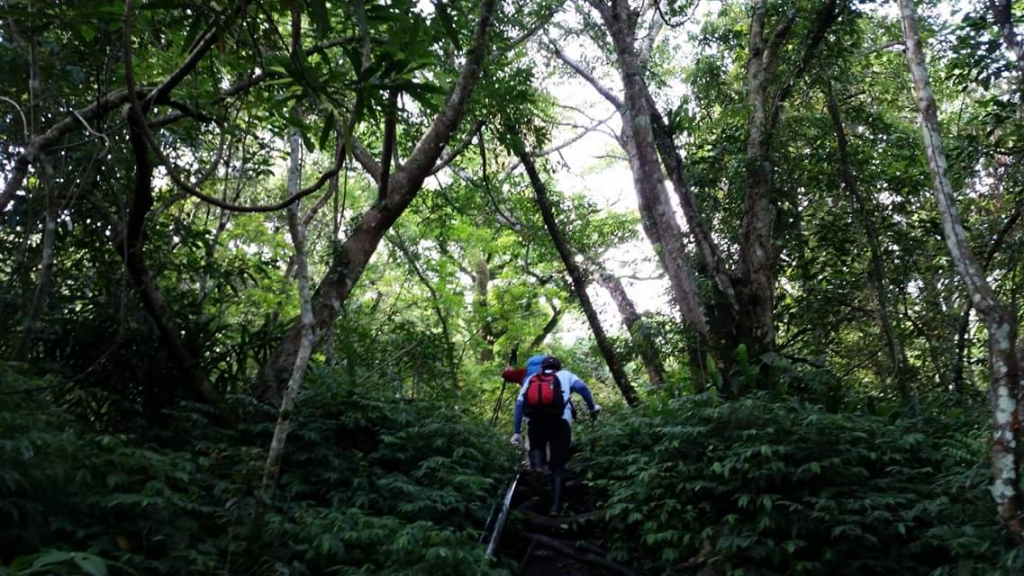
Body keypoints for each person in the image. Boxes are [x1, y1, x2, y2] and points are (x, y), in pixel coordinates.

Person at [507, 356, 601, 516]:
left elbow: (519, 405)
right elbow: (582, 388)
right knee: (558, 468)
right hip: (560, 423)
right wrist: (592, 407)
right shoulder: (566, 375)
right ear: (558, 366)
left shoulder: (531, 378)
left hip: (535, 424)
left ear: (542, 367)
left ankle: (538, 467)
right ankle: (555, 507)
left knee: (536, 448)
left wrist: (516, 432)